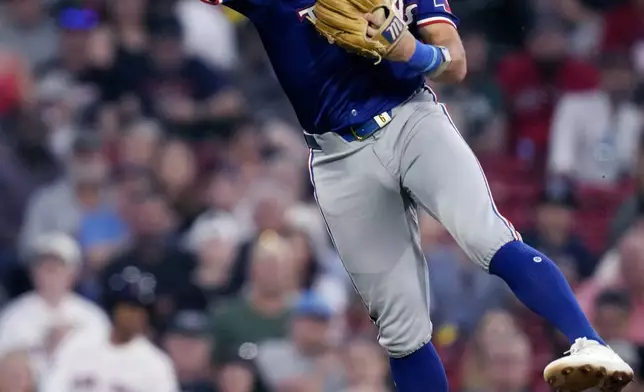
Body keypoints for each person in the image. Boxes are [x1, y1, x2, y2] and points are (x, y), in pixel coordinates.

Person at [198, 0, 633, 390]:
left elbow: (456, 62)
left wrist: (414, 51)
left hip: (412, 120)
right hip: (336, 158)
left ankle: (588, 343)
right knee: (399, 329)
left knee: (487, 238)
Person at [41, 264, 178, 392]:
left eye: (142, 310)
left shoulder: (155, 364)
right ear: (114, 308)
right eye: (129, 307)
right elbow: (53, 386)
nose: (136, 316)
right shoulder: (78, 343)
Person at [0, 233, 109, 374]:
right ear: (33, 273)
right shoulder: (13, 316)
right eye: (45, 267)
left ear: (73, 274)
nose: (51, 275)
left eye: (57, 268)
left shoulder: (92, 317)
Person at [163, 310, 215, 392]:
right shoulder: (150, 383)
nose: (187, 347)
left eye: (195, 340)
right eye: (180, 339)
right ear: (166, 343)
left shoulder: (225, 387)